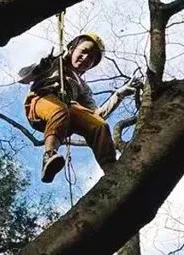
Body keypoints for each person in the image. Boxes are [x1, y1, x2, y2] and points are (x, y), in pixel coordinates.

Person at [18, 32, 134, 183]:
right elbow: (23, 77)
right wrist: (41, 67)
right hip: (42, 100)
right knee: (59, 109)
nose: (86, 58)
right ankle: (49, 155)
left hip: (66, 111)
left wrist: (118, 95)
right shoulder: (55, 62)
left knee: (99, 125)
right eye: (84, 51)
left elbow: (96, 115)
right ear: (72, 48)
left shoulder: (82, 87)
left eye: (91, 58)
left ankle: (111, 169)